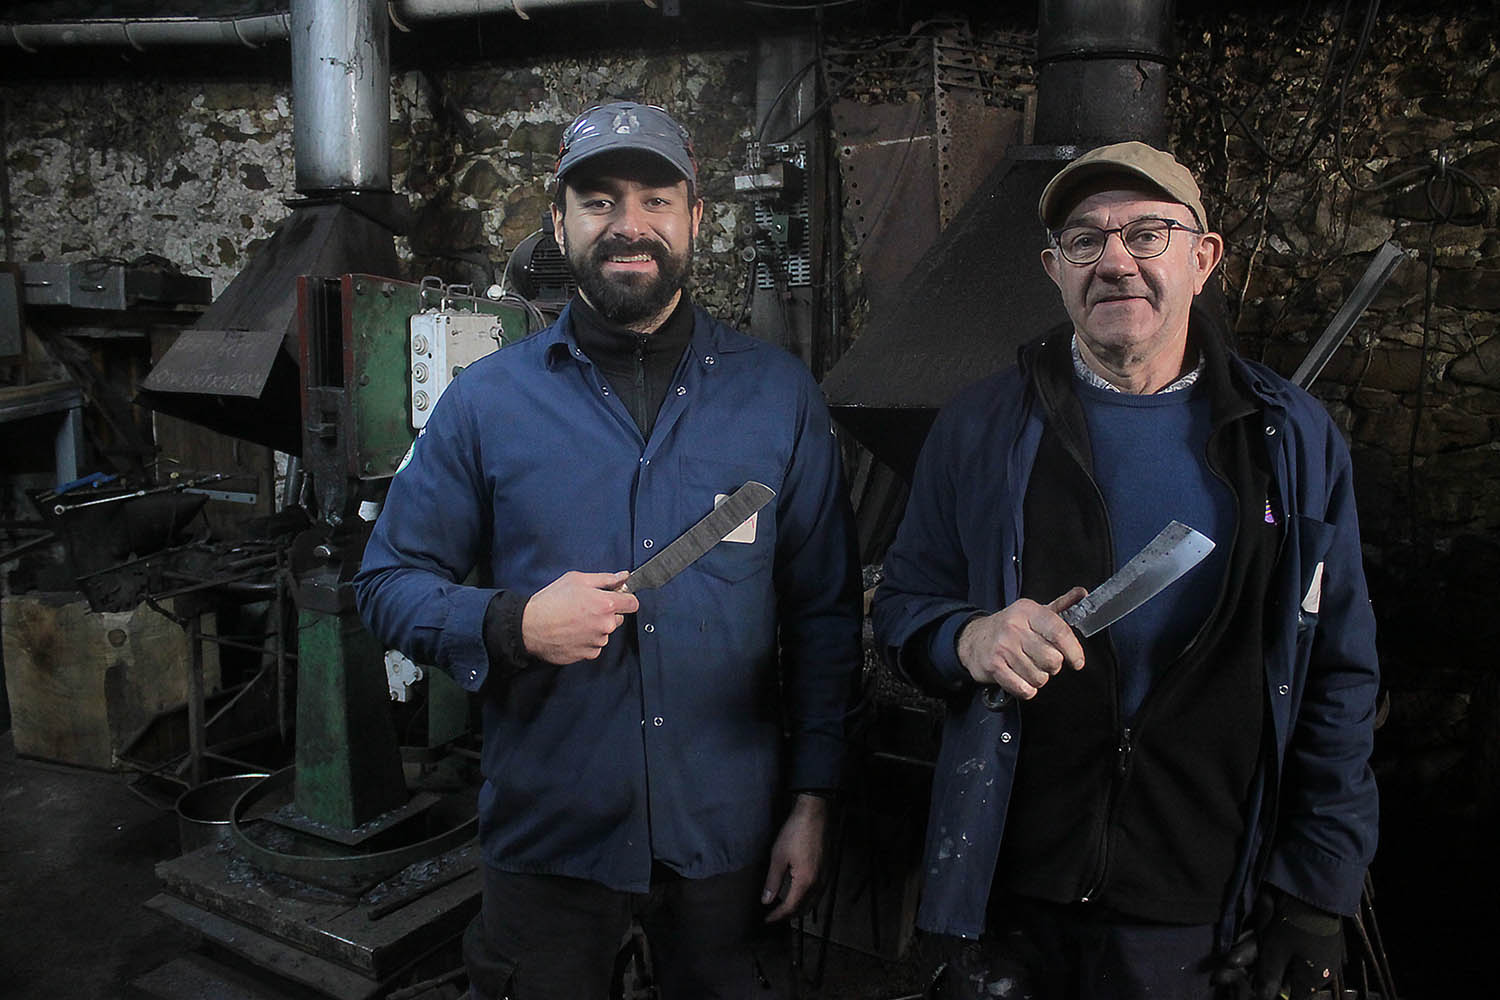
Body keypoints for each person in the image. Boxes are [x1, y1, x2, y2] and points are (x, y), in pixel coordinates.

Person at [355, 101, 862, 1000]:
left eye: (656, 199)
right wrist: (512, 623)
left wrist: (813, 801)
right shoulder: (487, 403)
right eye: (598, 201)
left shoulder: (778, 397)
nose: (630, 225)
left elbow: (824, 616)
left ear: (696, 218)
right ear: (560, 224)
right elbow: (385, 584)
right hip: (550, 842)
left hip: (727, 844)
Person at [871, 141, 1379, 1000]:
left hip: (1201, 896)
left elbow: (1339, 673)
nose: (1115, 262)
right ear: (1055, 270)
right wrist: (967, 638)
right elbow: (901, 609)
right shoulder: (980, 428)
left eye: (1148, 234)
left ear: (1203, 259)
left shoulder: (1289, 441)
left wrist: (1317, 888)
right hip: (1011, 889)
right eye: (1085, 240)